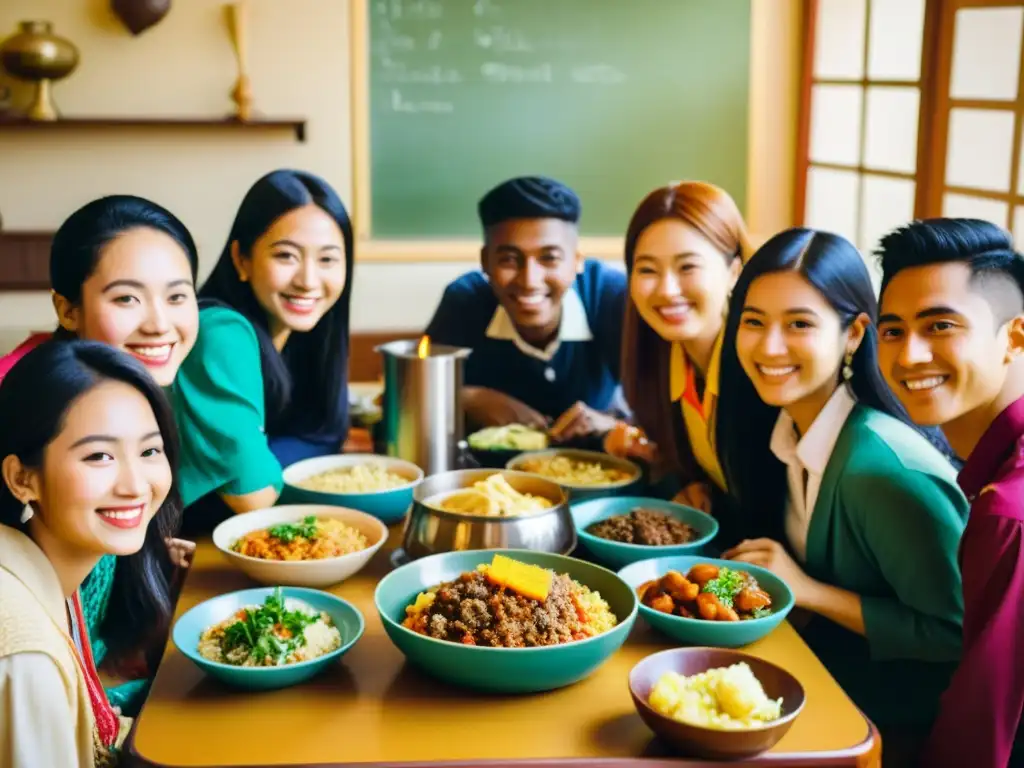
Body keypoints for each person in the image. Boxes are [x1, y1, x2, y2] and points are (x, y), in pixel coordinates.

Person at [715, 227, 967, 753]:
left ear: (854, 334)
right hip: (811, 682)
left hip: (885, 728)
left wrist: (808, 593)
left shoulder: (885, 471)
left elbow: (953, 633)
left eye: (799, 324)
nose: (769, 346)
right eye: (753, 322)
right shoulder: (782, 432)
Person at [0, 194, 202, 715]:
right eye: (128, 299)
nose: (160, 324)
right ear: (67, 308)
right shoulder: (33, 405)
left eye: (178, 297)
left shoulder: (122, 386)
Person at [876, 218, 1024, 768]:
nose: (909, 355)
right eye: (892, 331)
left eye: (939, 326)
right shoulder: (768, 434)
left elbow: (943, 635)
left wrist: (804, 593)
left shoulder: (878, 457)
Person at [0, 340, 182, 767]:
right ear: (22, 478)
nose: (135, 485)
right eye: (99, 456)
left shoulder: (51, 568)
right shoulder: (26, 653)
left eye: (149, 451)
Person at [424, 175, 626, 442]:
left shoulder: (608, 295)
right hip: (490, 476)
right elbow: (411, 393)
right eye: (509, 259)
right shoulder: (465, 301)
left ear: (577, 261)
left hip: (601, 468)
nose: (529, 280)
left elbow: (660, 408)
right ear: (485, 261)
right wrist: (470, 398)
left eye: (549, 258)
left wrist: (609, 424)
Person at [607, 181, 748, 515]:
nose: (668, 290)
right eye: (647, 270)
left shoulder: (764, 363)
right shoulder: (661, 354)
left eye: (688, 267)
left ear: (734, 272)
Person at [199, 169, 354, 467]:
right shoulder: (218, 334)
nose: (308, 281)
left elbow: (326, 433)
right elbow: (243, 478)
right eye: (286, 256)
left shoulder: (308, 337)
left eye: (327, 259)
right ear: (241, 259)